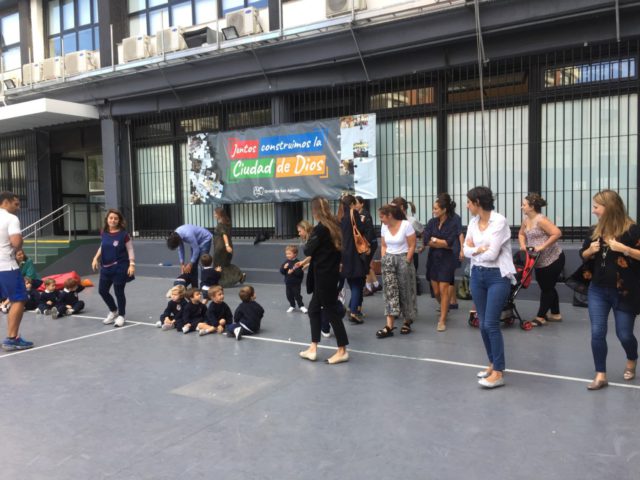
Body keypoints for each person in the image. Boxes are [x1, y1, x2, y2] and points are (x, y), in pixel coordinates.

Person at [579, 189, 640, 390]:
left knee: (624, 335)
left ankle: (632, 358)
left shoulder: (631, 230)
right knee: (597, 332)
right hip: (597, 290)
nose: (593, 210)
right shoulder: (594, 231)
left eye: (596, 206)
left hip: (624, 291)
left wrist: (625, 249)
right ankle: (600, 375)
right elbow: (583, 254)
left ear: (609, 208)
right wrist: (590, 251)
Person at [464, 186, 516, 389]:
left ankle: (498, 373)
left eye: (469, 202)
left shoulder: (499, 221)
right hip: (477, 275)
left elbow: (493, 254)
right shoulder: (473, 222)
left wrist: (474, 251)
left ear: (477, 203)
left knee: (491, 323)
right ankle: (492, 363)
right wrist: (478, 249)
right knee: (483, 323)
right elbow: (465, 250)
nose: (467, 206)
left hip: (497, 276)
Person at [299, 196, 350, 364]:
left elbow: (308, 250)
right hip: (329, 274)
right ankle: (313, 348)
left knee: (331, 311)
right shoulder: (334, 225)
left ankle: (342, 350)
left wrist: (308, 237)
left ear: (314, 211)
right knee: (314, 310)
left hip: (323, 276)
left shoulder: (320, 229)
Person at [518, 193, 564, 326]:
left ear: (532, 207)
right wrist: (522, 245)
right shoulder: (526, 220)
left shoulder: (541, 220)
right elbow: (521, 234)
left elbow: (557, 233)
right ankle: (555, 314)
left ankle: (540, 317)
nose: (522, 207)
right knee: (547, 286)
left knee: (546, 288)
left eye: (524, 205)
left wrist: (542, 246)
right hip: (537, 260)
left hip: (553, 258)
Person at [376, 203, 417, 338]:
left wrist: (407, 260)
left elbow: (412, 245)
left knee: (406, 290)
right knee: (389, 291)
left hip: (403, 258)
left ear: (390, 215)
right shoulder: (384, 227)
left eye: (382, 217)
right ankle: (389, 325)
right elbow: (383, 245)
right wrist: (384, 259)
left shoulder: (406, 225)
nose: (381, 219)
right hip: (389, 259)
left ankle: (407, 321)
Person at [0, 191, 33, 350]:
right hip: (6, 266)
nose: (18, 208)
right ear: (5, 202)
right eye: (16, 204)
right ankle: (12, 339)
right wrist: (20, 243)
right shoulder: (11, 218)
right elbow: (16, 242)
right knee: (19, 299)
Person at [424, 193, 462, 332]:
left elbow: (450, 243)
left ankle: (442, 319)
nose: (433, 211)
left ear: (444, 209)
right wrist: (440, 242)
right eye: (433, 208)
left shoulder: (453, 222)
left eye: (436, 208)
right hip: (433, 259)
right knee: (436, 291)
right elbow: (426, 240)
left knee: (444, 289)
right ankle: (444, 307)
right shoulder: (431, 222)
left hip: (447, 259)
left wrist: (435, 240)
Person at [92, 209, 136, 327]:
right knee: (102, 291)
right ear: (107, 219)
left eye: (116, 218)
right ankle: (113, 311)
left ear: (119, 220)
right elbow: (102, 245)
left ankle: (121, 315)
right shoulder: (104, 232)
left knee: (119, 292)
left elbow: (130, 249)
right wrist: (95, 258)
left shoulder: (124, 234)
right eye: (111, 218)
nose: (113, 220)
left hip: (120, 267)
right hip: (106, 267)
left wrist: (132, 264)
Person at [296, 220, 331, 338]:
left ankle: (324, 328)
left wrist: (306, 264)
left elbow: (316, 255)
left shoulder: (315, 238)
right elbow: (314, 255)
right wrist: (304, 263)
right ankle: (323, 329)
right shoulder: (315, 238)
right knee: (321, 304)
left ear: (305, 229)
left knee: (321, 305)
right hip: (323, 273)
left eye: (300, 231)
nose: (299, 234)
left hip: (323, 275)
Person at [338, 194, 368, 324]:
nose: (356, 205)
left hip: (343, 254)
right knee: (357, 284)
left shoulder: (340, 216)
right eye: (354, 203)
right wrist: (362, 221)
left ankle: (352, 308)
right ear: (351, 204)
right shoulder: (353, 213)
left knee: (352, 282)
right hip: (354, 254)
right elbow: (361, 229)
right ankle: (354, 312)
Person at [167, 223, 213, 288]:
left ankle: (205, 287)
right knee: (193, 266)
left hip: (205, 239)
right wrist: (182, 264)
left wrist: (190, 263)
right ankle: (195, 288)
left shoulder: (188, 235)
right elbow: (180, 249)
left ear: (178, 240)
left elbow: (196, 250)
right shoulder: (175, 235)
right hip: (195, 241)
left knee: (203, 263)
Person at [213, 208, 246, 287]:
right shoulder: (227, 223)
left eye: (215, 214)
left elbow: (224, 235)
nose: (214, 215)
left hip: (220, 247)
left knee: (218, 265)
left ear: (219, 214)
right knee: (226, 264)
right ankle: (239, 275)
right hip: (226, 246)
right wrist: (228, 246)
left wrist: (226, 245)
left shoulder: (220, 224)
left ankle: (218, 282)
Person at [355, 196, 380, 296]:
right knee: (367, 264)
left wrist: (368, 244)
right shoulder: (357, 214)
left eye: (357, 203)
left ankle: (369, 287)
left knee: (364, 264)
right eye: (354, 203)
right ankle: (376, 284)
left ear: (362, 204)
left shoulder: (365, 214)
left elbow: (369, 230)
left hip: (369, 243)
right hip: (363, 243)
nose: (355, 205)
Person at [280, 245, 307, 313]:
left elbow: (300, 273)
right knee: (289, 295)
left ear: (295, 254)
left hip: (296, 284)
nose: (287, 255)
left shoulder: (298, 263)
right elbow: (282, 272)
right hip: (288, 283)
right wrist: (284, 268)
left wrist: (293, 271)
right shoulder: (286, 262)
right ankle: (292, 305)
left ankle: (301, 306)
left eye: (289, 253)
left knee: (297, 295)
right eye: (286, 254)